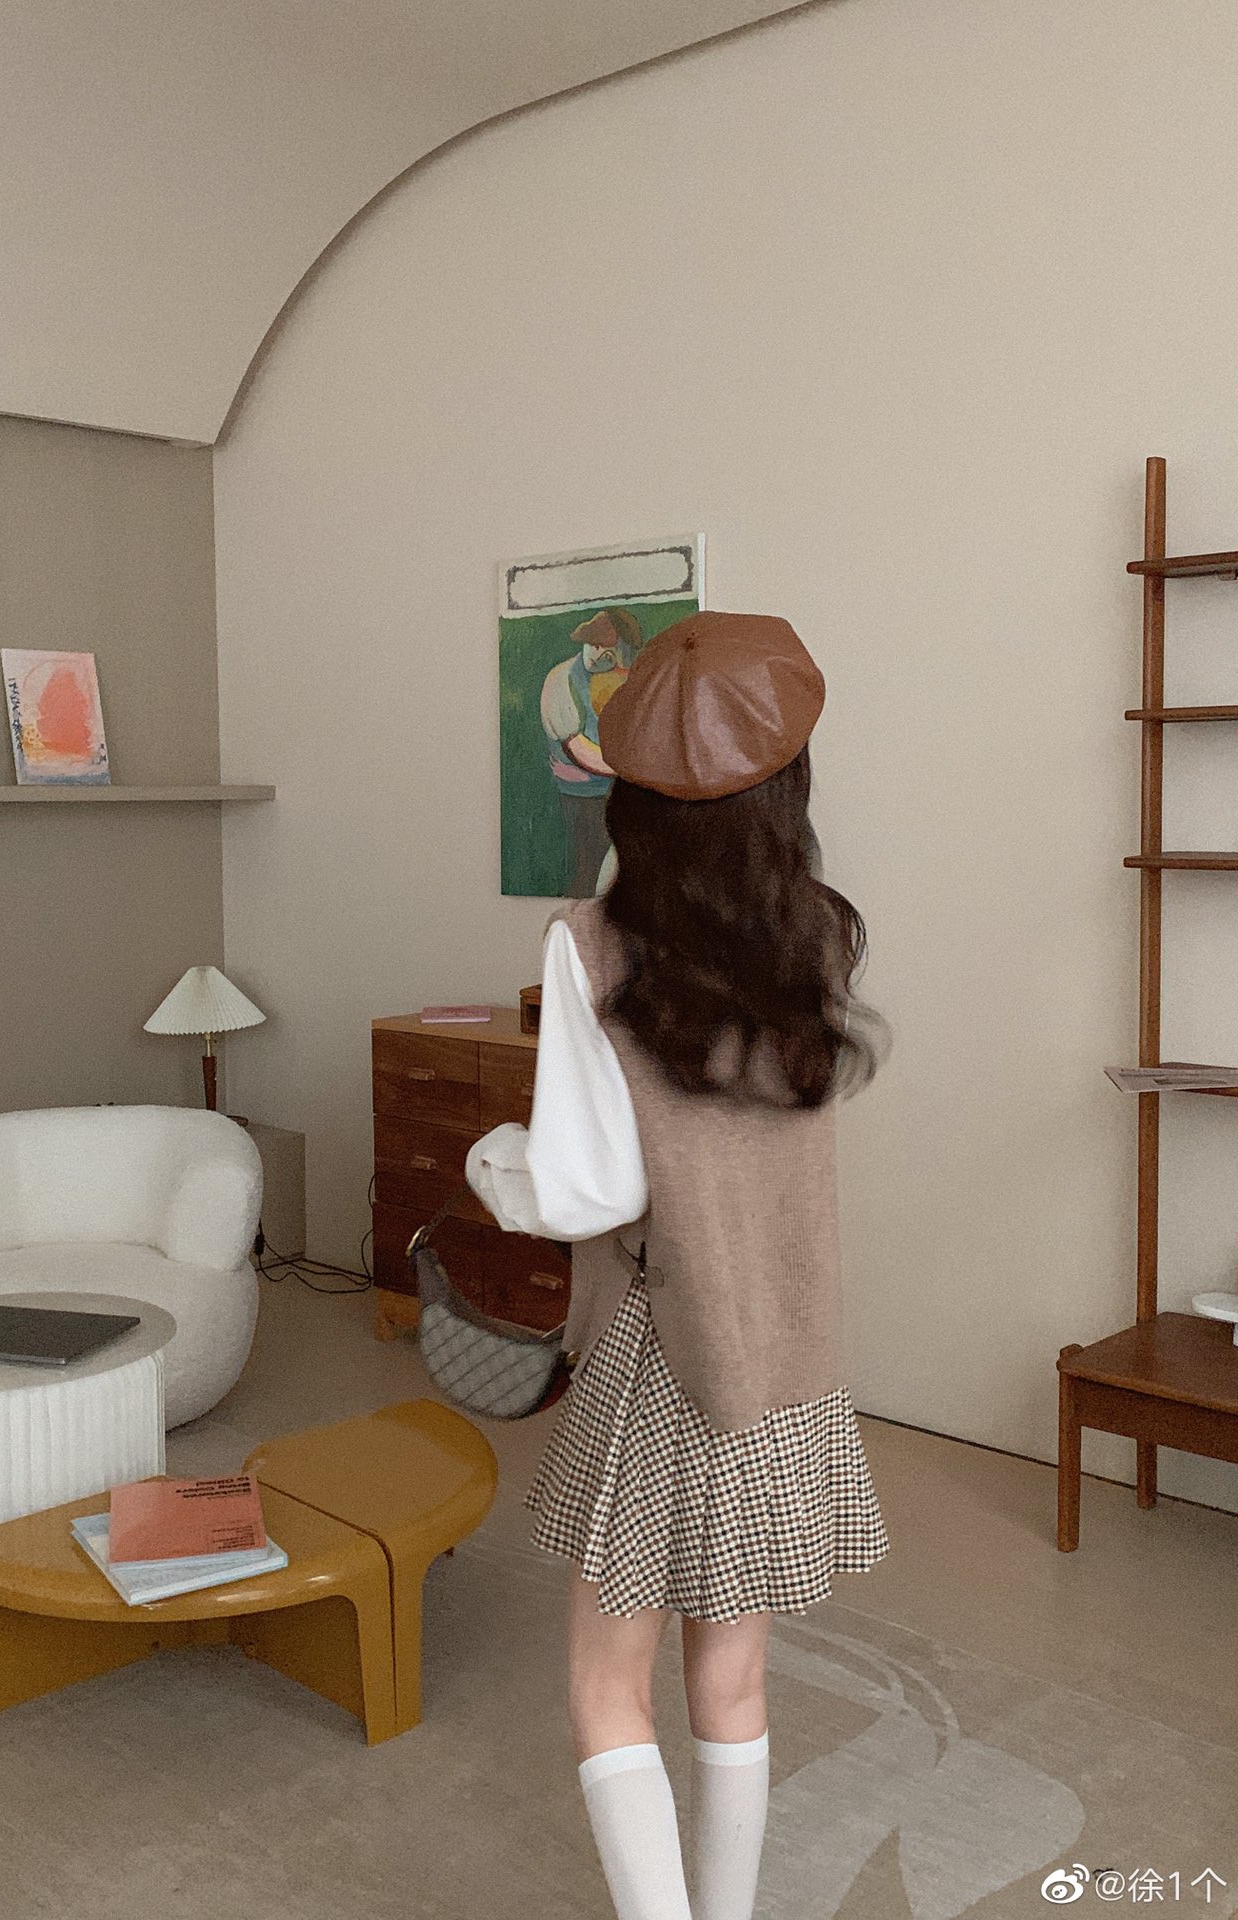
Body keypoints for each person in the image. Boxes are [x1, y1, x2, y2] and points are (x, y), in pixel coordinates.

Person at [466, 610, 890, 1920]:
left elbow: (590, 1189)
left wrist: (496, 1165)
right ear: (785, 781)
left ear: (633, 791)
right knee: (734, 1680)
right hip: (783, 1350)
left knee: (607, 1688)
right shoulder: (820, 932)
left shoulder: (590, 946)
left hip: (667, 1357)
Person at [540, 606, 644, 896]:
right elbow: (577, 749)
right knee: (589, 867)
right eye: (596, 646)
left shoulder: (619, 676)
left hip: (624, 790)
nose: (602, 655)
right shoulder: (561, 679)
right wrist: (633, 770)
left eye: (613, 649)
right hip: (583, 794)